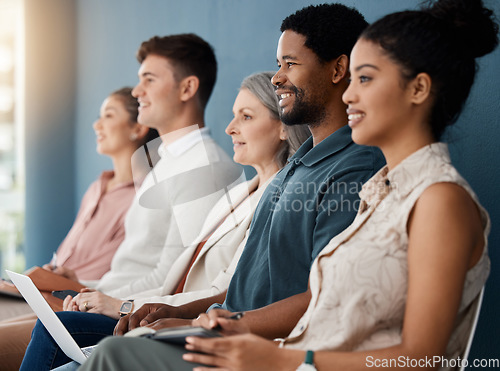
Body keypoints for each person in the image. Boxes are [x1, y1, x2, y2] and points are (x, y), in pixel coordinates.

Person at [79, 0, 498, 369]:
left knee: (111, 356)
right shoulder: (383, 192)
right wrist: (206, 321)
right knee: (104, 353)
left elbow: (425, 359)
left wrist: (279, 356)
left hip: (287, 359)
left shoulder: (438, 199)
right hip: (283, 355)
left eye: (364, 79)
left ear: (418, 89)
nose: (349, 95)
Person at [26, 70, 311, 370]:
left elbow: (226, 293)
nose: (229, 128)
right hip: (159, 312)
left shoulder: (279, 200)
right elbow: (175, 281)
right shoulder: (242, 191)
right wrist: (108, 299)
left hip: (189, 322)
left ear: (283, 127)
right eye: (233, 116)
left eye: (246, 117)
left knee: (61, 333)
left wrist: (122, 305)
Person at [15, 33, 241, 371]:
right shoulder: (166, 162)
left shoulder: (202, 168)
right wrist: (87, 289)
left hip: (135, 316)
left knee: (47, 328)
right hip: (114, 302)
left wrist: (101, 297)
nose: (137, 92)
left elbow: (176, 280)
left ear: (187, 88)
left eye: (148, 80)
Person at [0, 86, 158, 368]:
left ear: (138, 128)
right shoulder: (98, 186)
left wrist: (68, 281)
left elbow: (121, 274)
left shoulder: (146, 195)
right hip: (46, 295)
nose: (97, 124)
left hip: (73, 301)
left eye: (108, 115)